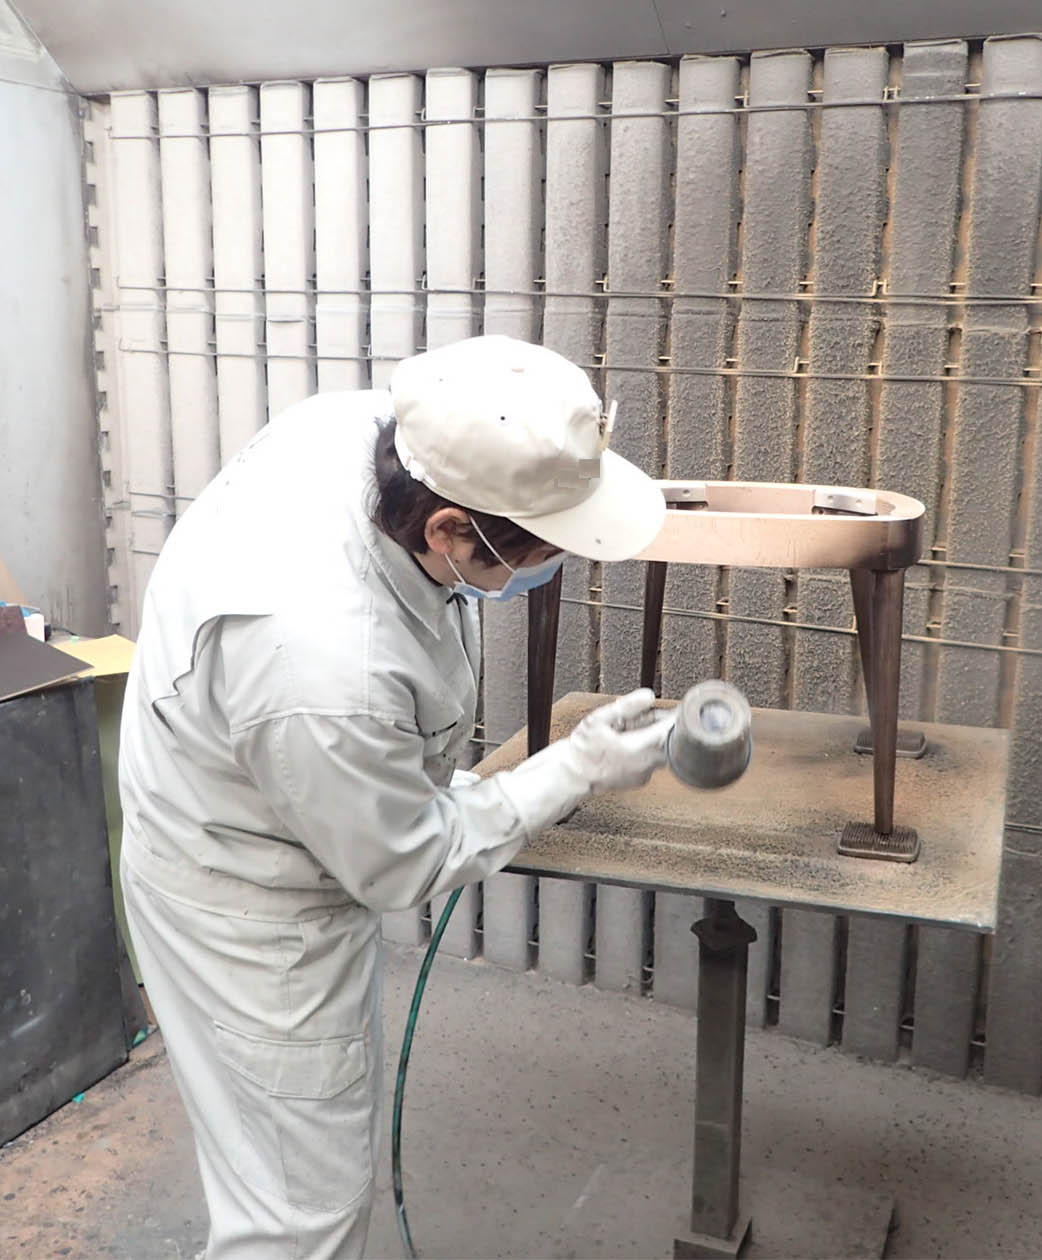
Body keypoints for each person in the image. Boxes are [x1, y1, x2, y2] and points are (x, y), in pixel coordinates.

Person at [116, 335, 673, 1259]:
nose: (553, 567)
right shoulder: (326, 670)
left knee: (283, 1171)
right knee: (301, 1211)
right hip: (248, 901)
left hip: (252, 778)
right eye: (541, 551)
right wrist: (573, 769)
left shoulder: (371, 431)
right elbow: (400, 860)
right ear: (448, 530)